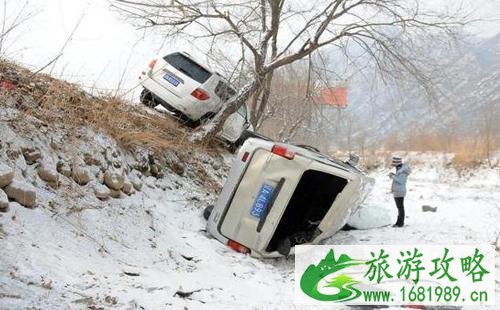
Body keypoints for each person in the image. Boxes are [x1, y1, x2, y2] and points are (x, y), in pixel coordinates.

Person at [389, 156, 411, 227]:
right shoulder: (400, 170)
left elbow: (401, 181)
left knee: (400, 207)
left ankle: (400, 223)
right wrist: (394, 175)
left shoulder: (403, 171)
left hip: (400, 191)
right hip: (398, 191)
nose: (394, 167)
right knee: (400, 207)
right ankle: (399, 222)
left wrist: (393, 176)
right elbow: (398, 179)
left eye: (395, 165)